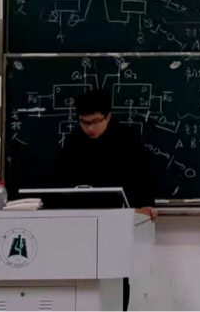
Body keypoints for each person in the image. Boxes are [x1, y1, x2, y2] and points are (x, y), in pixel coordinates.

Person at [52, 89, 156, 312]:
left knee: (117, 278)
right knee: (80, 279)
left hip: (117, 222)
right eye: (84, 122)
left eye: (95, 122)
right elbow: (59, 181)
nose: (89, 128)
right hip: (80, 224)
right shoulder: (73, 142)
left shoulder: (126, 138)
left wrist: (146, 204)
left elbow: (143, 175)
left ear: (108, 117)